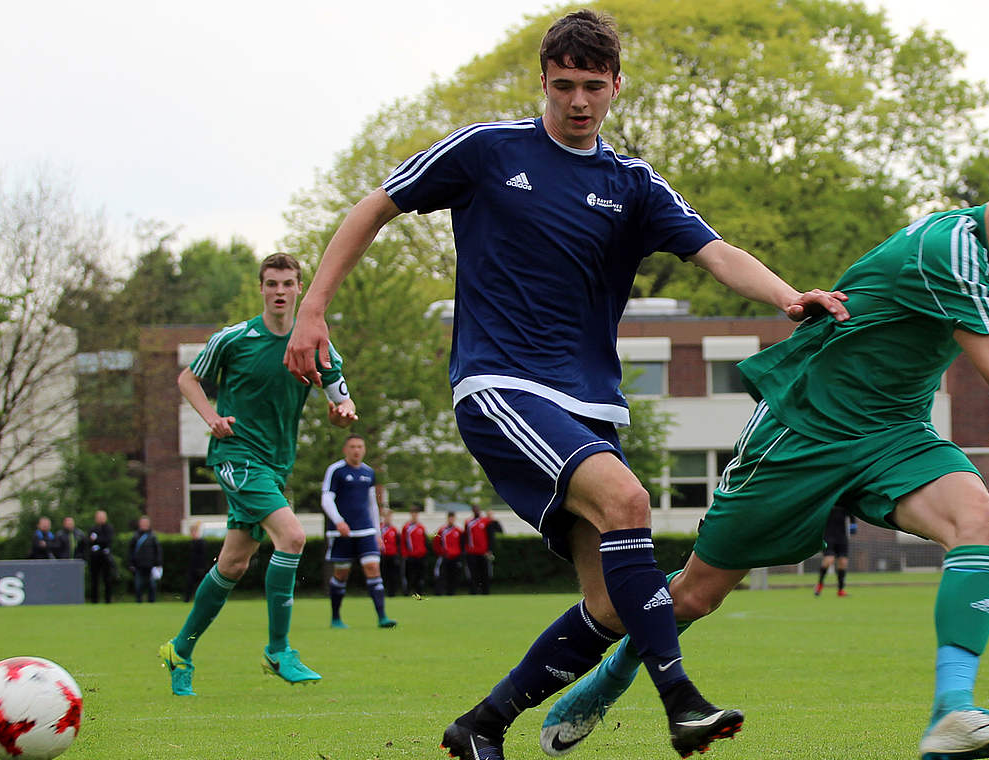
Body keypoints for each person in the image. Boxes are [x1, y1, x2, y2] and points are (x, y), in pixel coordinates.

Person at [542, 117, 989, 760]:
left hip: (894, 431)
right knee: (695, 594)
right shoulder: (951, 249)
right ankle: (607, 679)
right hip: (804, 428)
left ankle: (952, 713)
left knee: (982, 518)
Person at [282, 11, 848, 758]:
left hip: (590, 404)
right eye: (563, 86)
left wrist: (786, 295)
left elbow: (714, 252)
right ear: (542, 82)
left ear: (616, 85)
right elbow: (375, 206)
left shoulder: (633, 185)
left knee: (611, 604)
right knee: (629, 501)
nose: (578, 102)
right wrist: (313, 308)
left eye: (592, 87)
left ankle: (481, 726)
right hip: (498, 385)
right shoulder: (488, 151)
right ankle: (680, 699)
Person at [158, 252, 358, 697]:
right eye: (272, 284)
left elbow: (341, 405)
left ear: (300, 288)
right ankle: (278, 649)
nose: (281, 291)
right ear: (261, 288)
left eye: (288, 283)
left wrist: (342, 413)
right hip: (235, 455)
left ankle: (179, 650)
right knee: (292, 536)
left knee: (232, 563)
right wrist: (211, 417)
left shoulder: (318, 346)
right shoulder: (234, 338)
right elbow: (188, 379)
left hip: (274, 464)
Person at [322, 434, 397, 628]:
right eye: (353, 446)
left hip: (366, 531)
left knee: (373, 568)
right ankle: (335, 618)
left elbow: (372, 504)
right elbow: (327, 498)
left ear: (364, 449)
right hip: (342, 532)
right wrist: (338, 521)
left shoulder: (369, 473)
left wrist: (378, 533)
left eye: (360, 446)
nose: (357, 450)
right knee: (341, 574)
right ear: (345, 450)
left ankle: (382, 617)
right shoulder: (336, 471)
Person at [814, 504, 856, 597]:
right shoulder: (827, 501)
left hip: (841, 537)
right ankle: (820, 584)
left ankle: (841, 590)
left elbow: (852, 514)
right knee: (829, 559)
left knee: (843, 562)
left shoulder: (844, 501)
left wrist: (853, 525)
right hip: (828, 536)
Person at [129, 515, 163, 603]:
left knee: (152, 585)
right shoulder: (135, 536)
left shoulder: (153, 536)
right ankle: (138, 601)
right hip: (139, 565)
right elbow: (131, 551)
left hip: (150, 565)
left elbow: (158, 551)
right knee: (138, 585)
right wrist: (131, 563)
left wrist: (158, 563)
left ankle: (152, 601)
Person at [87, 510, 117, 603]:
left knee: (107, 579)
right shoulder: (93, 528)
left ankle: (108, 600)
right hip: (95, 558)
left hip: (105, 557)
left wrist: (97, 540)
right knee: (94, 580)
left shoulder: (109, 528)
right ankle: (94, 600)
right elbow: (89, 541)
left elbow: (107, 541)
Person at [433, 511, 464, 596]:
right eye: (450, 517)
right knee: (442, 576)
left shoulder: (458, 531)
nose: (451, 519)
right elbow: (436, 543)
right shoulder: (441, 530)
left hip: (455, 558)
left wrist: (460, 555)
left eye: (453, 518)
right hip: (445, 557)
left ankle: (451, 593)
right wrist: (441, 553)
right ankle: (440, 593)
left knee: (454, 576)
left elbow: (462, 544)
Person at [464, 506, 492, 595]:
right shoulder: (468, 523)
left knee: (485, 574)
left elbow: (490, 537)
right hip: (471, 552)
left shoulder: (486, 522)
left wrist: (489, 549)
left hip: (483, 553)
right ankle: (473, 592)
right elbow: (465, 537)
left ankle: (485, 592)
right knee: (473, 574)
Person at [400, 510, 429, 596]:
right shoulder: (407, 528)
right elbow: (403, 542)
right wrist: (405, 554)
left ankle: (419, 592)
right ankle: (407, 592)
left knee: (420, 576)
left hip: (420, 556)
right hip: (410, 556)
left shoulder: (421, 527)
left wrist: (424, 552)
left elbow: (424, 541)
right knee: (409, 576)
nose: (415, 516)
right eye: (413, 514)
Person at [183, 522, 212, 603]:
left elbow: (204, 556)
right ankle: (187, 599)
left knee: (202, 585)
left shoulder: (202, 543)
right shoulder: (191, 543)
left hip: (200, 568)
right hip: (192, 567)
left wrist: (202, 568)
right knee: (189, 584)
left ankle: (205, 599)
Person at [379, 508, 403, 596]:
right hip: (383, 555)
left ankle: (392, 593)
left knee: (392, 576)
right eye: (386, 516)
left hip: (392, 556)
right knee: (382, 575)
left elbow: (398, 543)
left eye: (389, 516)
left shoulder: (394, 530)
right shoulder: (380, 529)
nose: (388, 518)